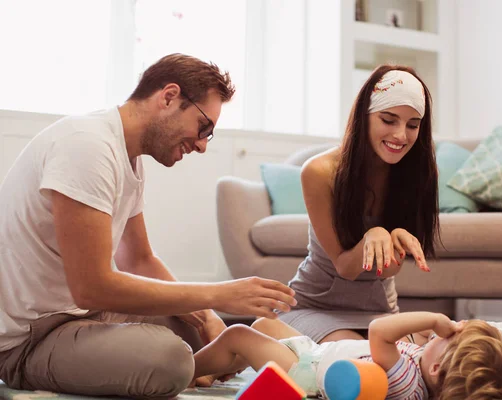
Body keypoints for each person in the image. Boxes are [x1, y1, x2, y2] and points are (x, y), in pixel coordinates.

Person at [0, 53, 296, 398]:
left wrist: (209, 318)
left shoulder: (127, 158)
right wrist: (221, 293)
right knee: (171, 360)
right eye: (204, 128)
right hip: (31, 339)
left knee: (192, 335)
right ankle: (184, 369)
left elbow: (140, 260)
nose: (202, 145)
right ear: (169, 97)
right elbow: (91, 286)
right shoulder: (86, 147)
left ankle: (198, 357)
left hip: (86, 314)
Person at [278, 64, 439, 344]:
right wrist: (373, 236)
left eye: (413, 125)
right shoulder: (319, 171)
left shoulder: (414, 172)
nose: (401, 135)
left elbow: (385, 271)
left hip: (378, 312)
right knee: (360, 359)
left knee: (428, 357)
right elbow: (345, 267)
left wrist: (395, 244)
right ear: (364, 117)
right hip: (315, 307)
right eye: (389, 120)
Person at [191, 312, 502, 399]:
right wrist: (442, 335)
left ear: (436, 368)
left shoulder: (407, 381)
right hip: (315, 353)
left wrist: (435, 320)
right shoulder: (422, 373)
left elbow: (379, 329)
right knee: (266, 324)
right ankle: (222, 369)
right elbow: (415, 339)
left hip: (303, 372)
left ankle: (189, 369)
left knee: (239, 335)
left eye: (450, 336)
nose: (444, 330)